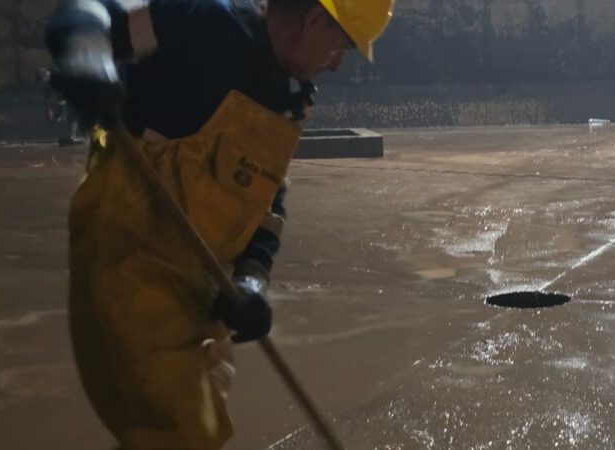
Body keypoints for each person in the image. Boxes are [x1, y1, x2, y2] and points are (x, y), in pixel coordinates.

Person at [43, 0, 392, 448]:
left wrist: (250, 281)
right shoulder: (205, 24)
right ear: (315, 18)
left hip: (203, 295)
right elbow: (91, 13)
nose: (337, 64)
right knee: (184, 435)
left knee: (199, 426)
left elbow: (268, 198)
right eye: (340, 46)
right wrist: (86, 52)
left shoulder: (286, 99)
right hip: (130, 272)